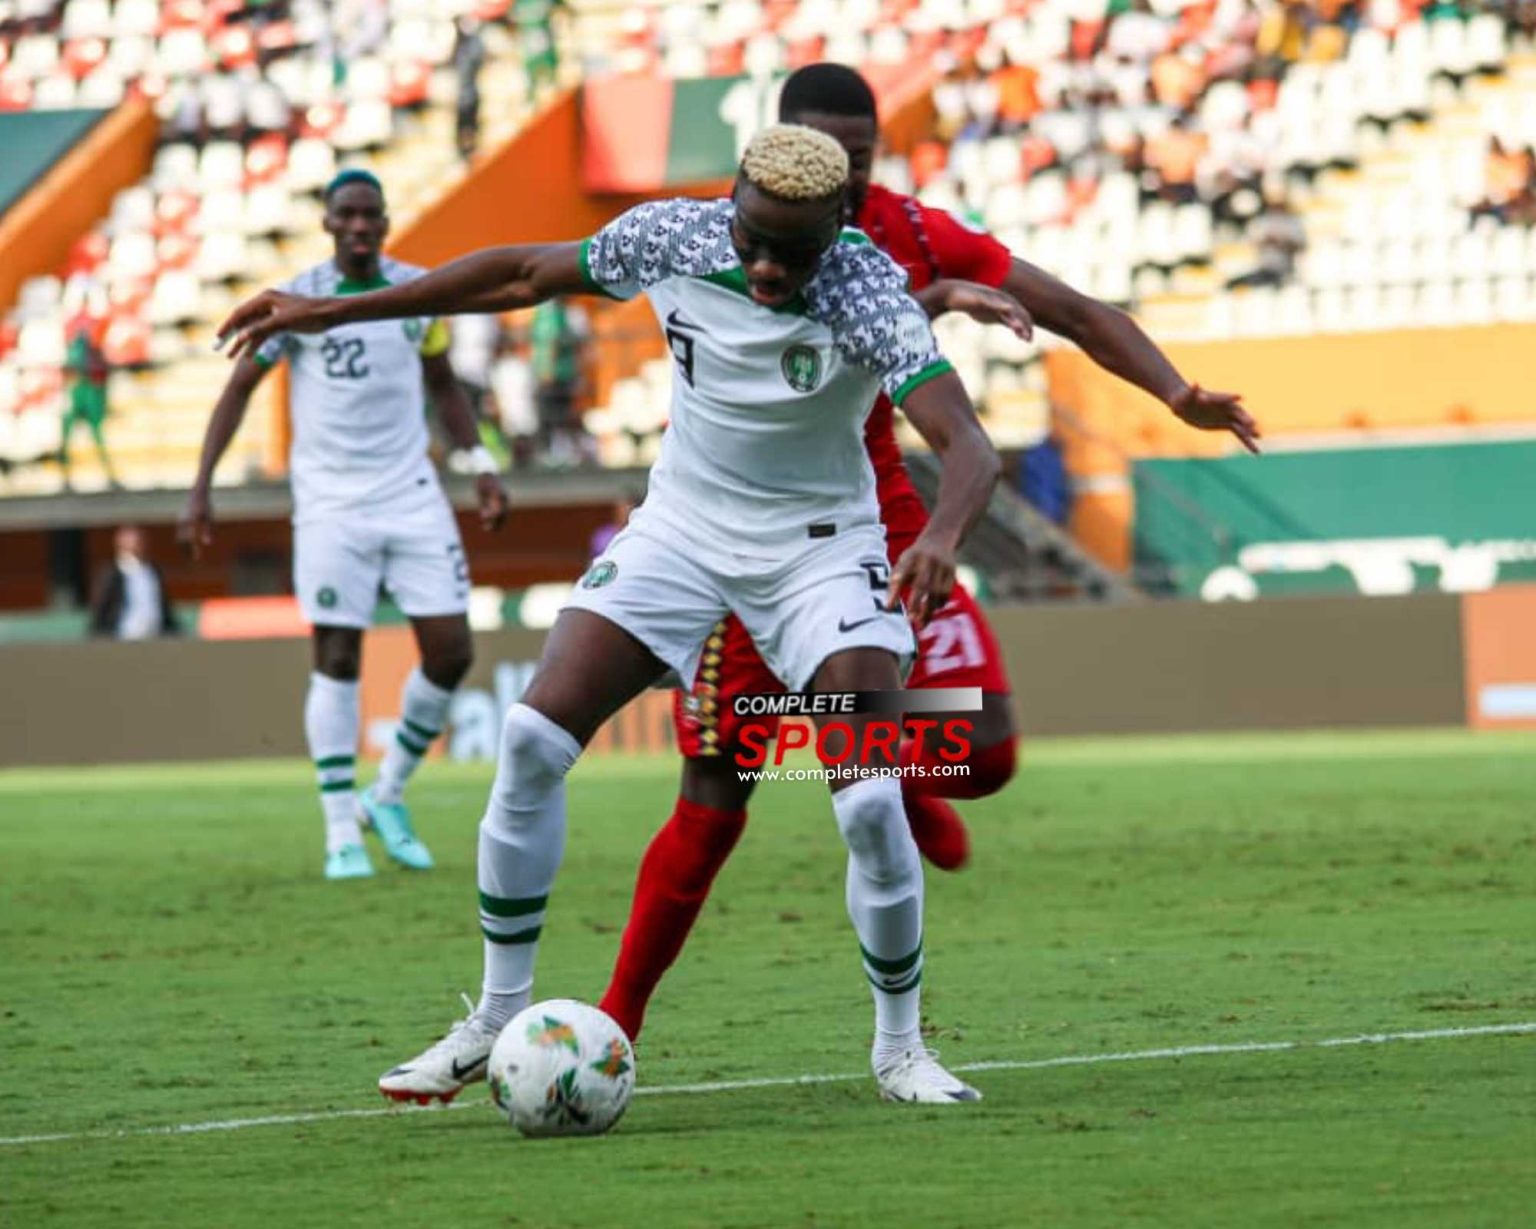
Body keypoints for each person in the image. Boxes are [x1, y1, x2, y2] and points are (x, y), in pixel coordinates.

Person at [217, 123, 1028, 1104]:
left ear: (834, 231)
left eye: (792, 252)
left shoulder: (866, 289)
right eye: (752, 241)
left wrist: (940, 536)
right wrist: (330, 311)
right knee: (530, 738)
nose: (766, 269)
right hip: (682, 528)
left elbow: (970, 448)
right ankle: (493, 1014)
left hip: (819, 551)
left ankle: (900, 1049)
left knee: (864, 796)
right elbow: (521, 273)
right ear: (730, 207)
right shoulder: (675, 236)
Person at [597, 63, 1261, 1045]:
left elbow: (1077, 311)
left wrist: (1175, 392)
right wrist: (941, 295)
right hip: (743, 532)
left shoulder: (908, 231)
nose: (848, 173)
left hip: (884, 524)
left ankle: (861, 748)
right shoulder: (731, 233)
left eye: (862, 156)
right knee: (718, 788)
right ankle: (616, 1017)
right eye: (831, 154)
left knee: (983, 747)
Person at [179, 169, 509, 882]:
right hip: (331, 502)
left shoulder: (417, 294)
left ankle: (384, 793)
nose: (360, 226)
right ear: (328, 223)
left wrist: (480, 462)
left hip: (412, 492)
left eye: (370, 215)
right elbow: (240, 387)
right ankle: (339, 831)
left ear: (385, 222)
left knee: (452, 651)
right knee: (336, 654)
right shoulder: (296, 301)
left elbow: (443, 385)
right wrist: (201, 486)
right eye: (347, 215)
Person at [88, 526, 180, 640]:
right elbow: (102, 609)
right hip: (124, 638)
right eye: (133, 541)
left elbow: (163, 607)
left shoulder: (153, 571)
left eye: (140, 540)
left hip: (155, 637)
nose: (138, 544)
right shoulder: (112, 574)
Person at [59, 318, 118, 489]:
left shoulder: (94, 351)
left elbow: (101, 374)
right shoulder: (78, 350)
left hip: (87, 393)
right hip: (79, 394)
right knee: (68, 437)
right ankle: (66, 477)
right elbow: (70, 371)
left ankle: (109, 474)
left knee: (96, 436)